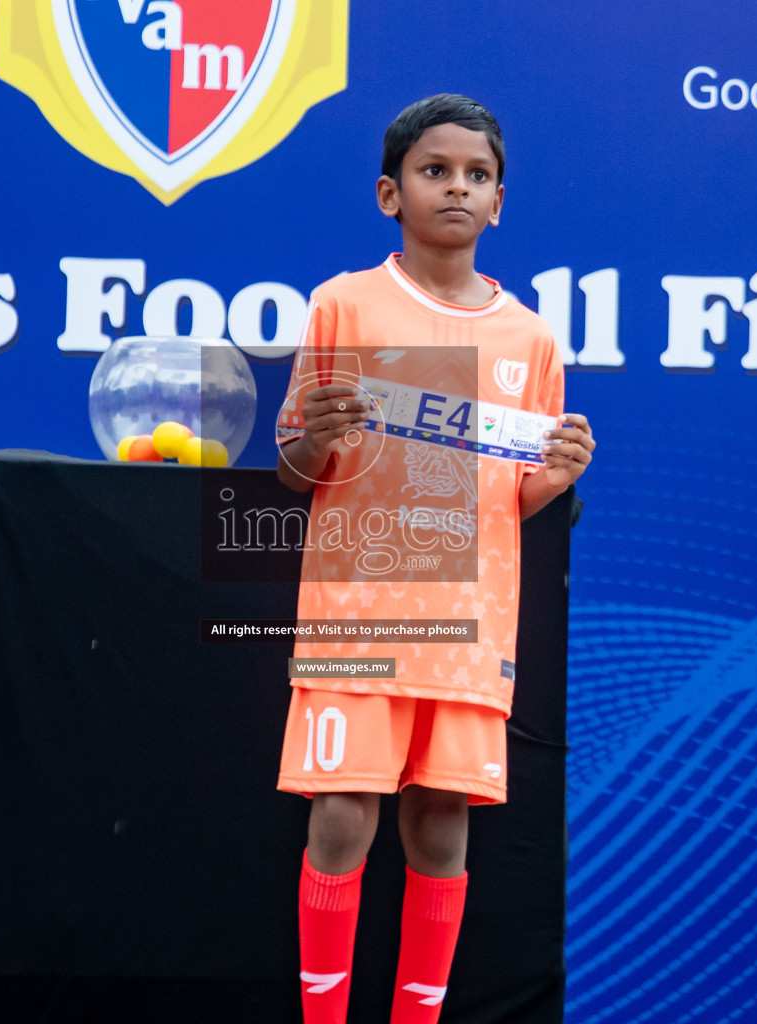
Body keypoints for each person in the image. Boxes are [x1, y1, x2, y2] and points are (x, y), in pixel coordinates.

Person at [273, 94, 595, 1024]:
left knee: (440, 821)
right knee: (340, 817)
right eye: (435, 170)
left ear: (499, 203)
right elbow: (294, 471)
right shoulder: (344, 303)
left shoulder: (530, 338)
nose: (457, 186)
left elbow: (519, 494)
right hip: (358, 609)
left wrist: (558, 476)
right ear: (390, 193)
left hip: (468, 625)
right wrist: (313, 440)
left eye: (477, 175)